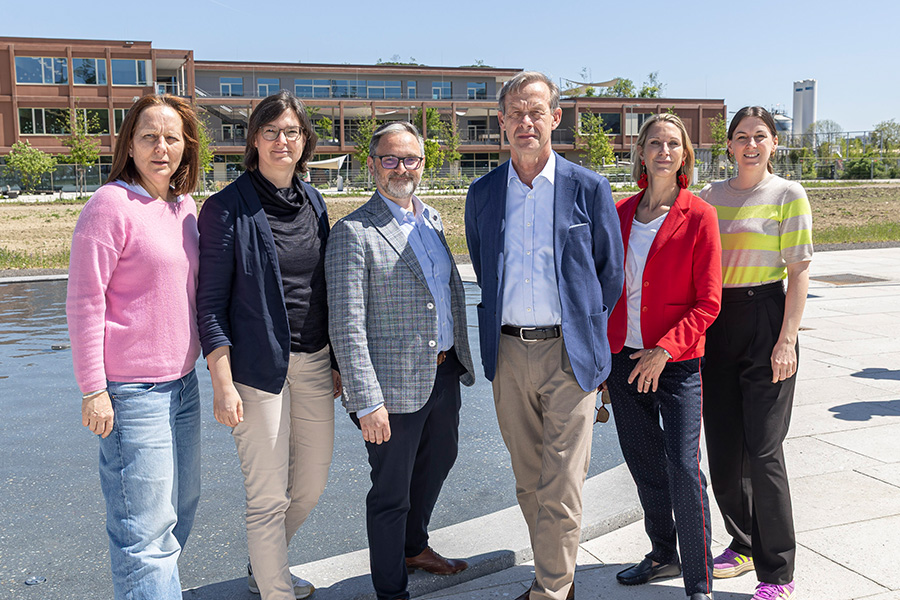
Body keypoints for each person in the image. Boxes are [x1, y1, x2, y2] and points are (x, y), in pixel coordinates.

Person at [465, 71, 624, 600]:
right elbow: (487, 267)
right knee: (529, 480)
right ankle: (556, 578)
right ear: (502, 122)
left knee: (563, 483)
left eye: (535, 111)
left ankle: (551, 590)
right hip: (508, 353)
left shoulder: (588, 187)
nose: (525, 122)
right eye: (514, 112)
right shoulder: (484, 193)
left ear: (555, 118)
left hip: (568, 354)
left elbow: (610, 274)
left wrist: (585, 332)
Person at [197, 91, 341, 600]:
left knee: (310, 485)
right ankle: (275, 588)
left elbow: (321, 291)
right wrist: (222, 382)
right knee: (266, 497)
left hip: (314, 362)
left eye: (293, 132)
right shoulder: (224, 210)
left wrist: (337, 363)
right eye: (271, 131)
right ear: (253, 139)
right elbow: (210, 305)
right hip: (256, 372)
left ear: (305, 141)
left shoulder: (315, 202)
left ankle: (265, 566)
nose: (283, 141)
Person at [325, 121, 476, 600]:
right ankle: (392, 591)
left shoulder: (432, 220)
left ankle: (414, 546)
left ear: (423, 163)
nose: (400, 168)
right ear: (372, 165)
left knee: (441, 458)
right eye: (390, 159)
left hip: (444, 371)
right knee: (391, 492)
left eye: (410, 158)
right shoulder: (353, 232)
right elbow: (346, 325)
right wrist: (366, 401)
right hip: (390, 388)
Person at [66, 94, 203, 599]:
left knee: (177, 513)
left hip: (183, 387)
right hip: (131, 394)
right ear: (130, 143)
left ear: (187, 147)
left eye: (172, 137)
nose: (161, 147)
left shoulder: (184, 208)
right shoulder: (109, 204)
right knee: (141, 534)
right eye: (149, 136)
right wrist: (93, 389)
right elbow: (84, 302)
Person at [699, 106, 813, 600]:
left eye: (760, 136)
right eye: (741, 136)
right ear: (727, 145)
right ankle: (742, 543)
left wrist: (786, 339)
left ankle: (777, 572)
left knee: (764, 452)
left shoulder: (788, 194)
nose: (750, 144)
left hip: (766, 318)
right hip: (717, 321)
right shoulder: (709, 197)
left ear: (773, 144)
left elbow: (799, 272)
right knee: (723, 449)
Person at [606, 113, 721, 600]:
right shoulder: (620, 213)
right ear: (642, 153)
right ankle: (661, 553)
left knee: (682, 465)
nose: (664, 151)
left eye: (674, 144)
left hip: (676, 365)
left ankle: (698, 578)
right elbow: (604, 289)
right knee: (643, 463)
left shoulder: (700, 215)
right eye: (655, 143)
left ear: (685, 155)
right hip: (622, 361)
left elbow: (709, 301)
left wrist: (664, 350)